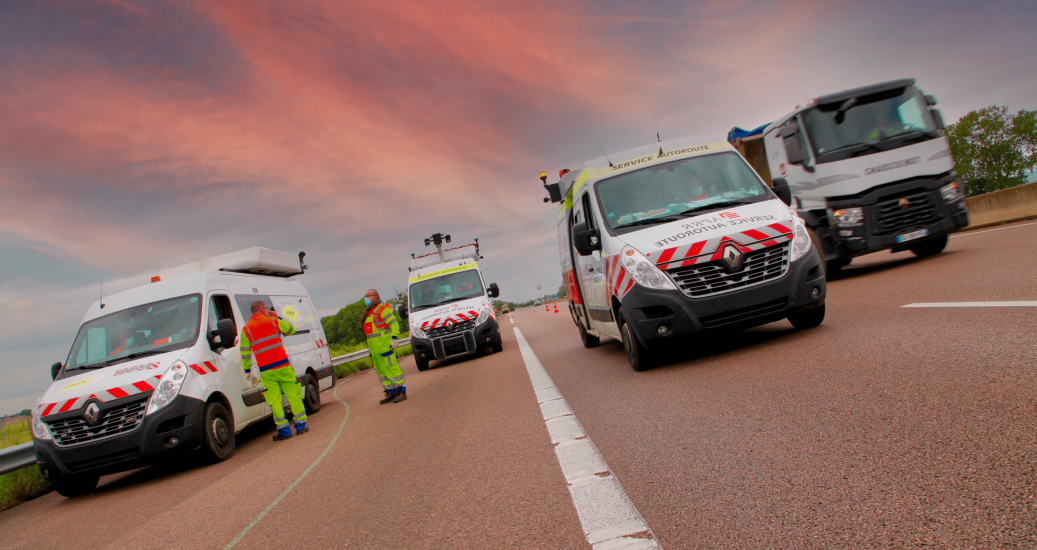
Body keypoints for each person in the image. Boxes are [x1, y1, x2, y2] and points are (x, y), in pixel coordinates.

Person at [240, 301, 308, 440]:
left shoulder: (246, 328)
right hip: (283, 365)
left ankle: (284, 431)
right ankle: (300, 426)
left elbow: (244, 352)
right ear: (262, 309)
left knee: (274, 400)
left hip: (266, 370)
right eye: (265, 308)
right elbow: (291, 330)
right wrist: (279, 317)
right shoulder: (273, 320)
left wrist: (247, 369)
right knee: (293, 395)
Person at [362, 289, 406, 404]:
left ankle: (401, 391)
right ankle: (390, 391)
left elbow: (393, 323)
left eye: (368, 296)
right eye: (365, 296)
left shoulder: (382, 309)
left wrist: (394, 338)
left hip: (384, 346)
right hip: (375, 350)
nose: (365, 298)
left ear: (375, 297)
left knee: (392, 368)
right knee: (382, 371)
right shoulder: (369, 312)